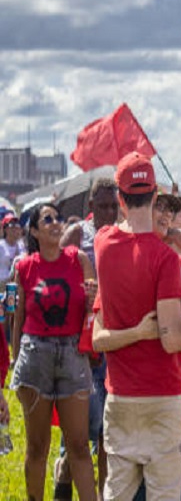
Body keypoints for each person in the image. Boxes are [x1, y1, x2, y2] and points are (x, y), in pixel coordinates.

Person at [91, 152, 181, 501]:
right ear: (156, 195)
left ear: (121, 201)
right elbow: (173, 338)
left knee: (117, 493)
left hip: (121, 396)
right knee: (165, 494)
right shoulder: (165, 259)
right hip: (163, 394)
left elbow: (130, 234)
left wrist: (172, 232)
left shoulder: (103, 244)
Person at [10, 203, 97, 501]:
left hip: (73, 354)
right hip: (36, 354)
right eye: (47, 220)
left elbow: (92, 311)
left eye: (58, 218)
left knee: (79, 445)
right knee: (37, 446)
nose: (56, 223)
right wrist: (13, 355)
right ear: (33, 230)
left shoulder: (79, 259)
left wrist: (92, 299)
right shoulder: (24, 267)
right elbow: (17, 316)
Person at [55, 177, 119, 501]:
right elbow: (55, 284)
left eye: (114, 205)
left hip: (110, 347)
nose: (110, 211)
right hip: (79, 348)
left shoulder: (124, 235)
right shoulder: (77, 235)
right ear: (91, 207)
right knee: (78, 438)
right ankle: (62, 487)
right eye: (103, 206)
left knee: (108, 435)